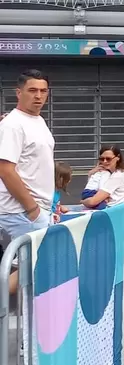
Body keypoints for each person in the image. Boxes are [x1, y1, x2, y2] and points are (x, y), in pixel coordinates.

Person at [0, 70, 54, 293]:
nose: (38, 96)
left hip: (36, 209)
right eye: (32, 90)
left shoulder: (37, 121)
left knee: (27, 270)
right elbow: (5, 169)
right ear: (18, 93)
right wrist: (32, 209)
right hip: (22, 210)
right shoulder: (13, 124)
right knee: (33, 268)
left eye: (43, 91)